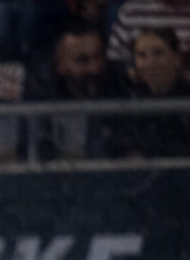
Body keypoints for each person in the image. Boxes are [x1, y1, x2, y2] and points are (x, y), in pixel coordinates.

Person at [25, 22, 117, 161]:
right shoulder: (41, 88)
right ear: (60, 65)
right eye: (82, 60)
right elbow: (40, 149)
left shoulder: (117, 80)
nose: (94, 68)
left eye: (98, 57)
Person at [114, 27, 190, 156]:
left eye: (158, 53)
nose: (150, 63)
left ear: (177, 57)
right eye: (142, 55)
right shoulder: (129, 100)